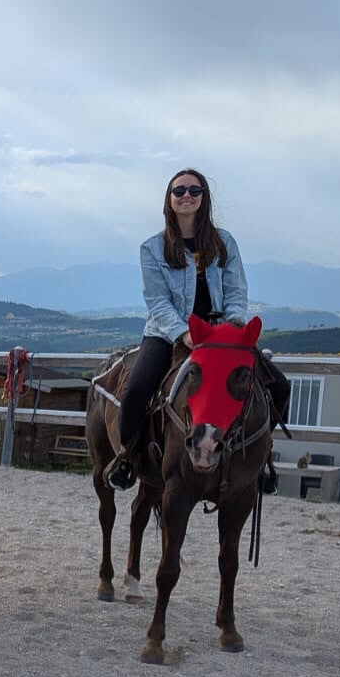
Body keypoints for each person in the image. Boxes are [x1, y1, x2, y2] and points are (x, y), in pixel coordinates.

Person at [105, 168, 289, 489]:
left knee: (279, 385)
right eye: (179, 191)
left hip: (220, 336)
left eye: (194, 190)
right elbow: (157, 300)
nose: (187, 196)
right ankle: (127, 456)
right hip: (169, 333)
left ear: (204, 197)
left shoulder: (224, 242)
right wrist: (183, 333)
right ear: (169, 199)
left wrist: (232, 327)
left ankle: (258, 456)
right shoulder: (152, 248)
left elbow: (236, 290)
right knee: (137, 389)